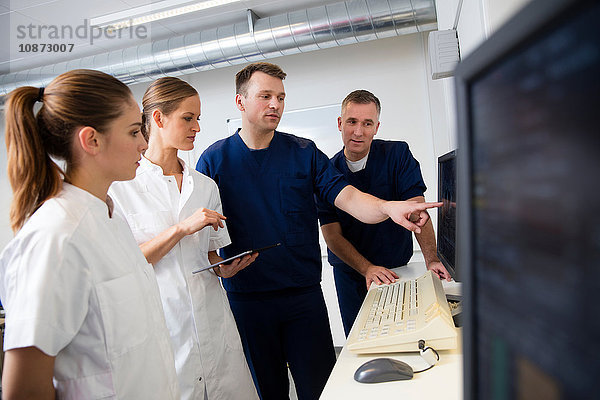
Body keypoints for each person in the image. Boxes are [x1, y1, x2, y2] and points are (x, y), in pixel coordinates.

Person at [196, 62, 441, 400]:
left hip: (303, 299)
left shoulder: (304, 152)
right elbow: (203, 234)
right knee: (267, 392)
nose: (275, 105)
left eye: (280, 97)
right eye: (265, 96)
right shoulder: (213, 161)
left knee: (323, 390)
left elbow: (349, 198)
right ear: (240, 102)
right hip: (247, 301)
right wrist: (217, 264)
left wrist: (388, 207)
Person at [0, 69, 180, 399]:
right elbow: (24, 389)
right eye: (133, 132)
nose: (143, 143)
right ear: (91, 140)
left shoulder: (110, 217)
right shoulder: (56, 237)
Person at [108, 77, 259, 400]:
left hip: (213, 320)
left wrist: (223, 268)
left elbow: (210, 256)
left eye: (198, 119)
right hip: (163, 325)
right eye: (188, 118)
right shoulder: (122, 188)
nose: (197, 128)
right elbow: (126, 264)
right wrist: (180, 229)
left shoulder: (204, 186)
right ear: (159, 119)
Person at [316, 90, 452, 337]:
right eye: (352, 122)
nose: (359, 131)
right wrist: (367, 268)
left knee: (401, 333)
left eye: (367, 123)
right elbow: (332, 236)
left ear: (377, 127)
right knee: (359, 339)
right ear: (339, 123)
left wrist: (432, 258)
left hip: (396, 269)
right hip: (350, 274)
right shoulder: (327, 172)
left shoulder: (397, 155)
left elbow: (415, 210)